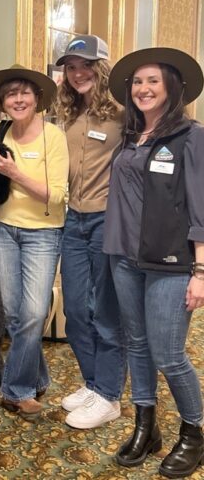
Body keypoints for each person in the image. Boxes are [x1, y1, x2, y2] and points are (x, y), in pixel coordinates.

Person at [103, 47, 204, 478]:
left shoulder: (191, 135)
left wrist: (201, 271)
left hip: (171, 261)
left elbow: (201, 205)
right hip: (124, 256)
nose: (143, 89)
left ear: (171, 88)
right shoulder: (129, 137)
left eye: (153, 81)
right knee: (137, 344)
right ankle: (147, 426)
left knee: (168, 353)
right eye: (137, 83)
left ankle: (194, 433)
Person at [0, 65, 68, 417]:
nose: (17, 99)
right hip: (4, 231)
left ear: (38, 98)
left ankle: (16, 390)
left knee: (32, 314)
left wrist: (14, 173)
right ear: (2, 102)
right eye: (10, 93)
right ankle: (38, 377)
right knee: (15, 315)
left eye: (24, 92)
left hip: (42, 234)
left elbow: (56, 196)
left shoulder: (53, 137)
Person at [54, 35, 126, 429]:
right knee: (75, 310)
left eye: (85, 65)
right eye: (70, 66)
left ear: (102, 67)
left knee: (106, 312)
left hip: (107, 221)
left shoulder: (123, 111)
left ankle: (110, 395)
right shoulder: (67, 113)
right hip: (72, 221)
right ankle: (93, 383)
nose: (78, 73)